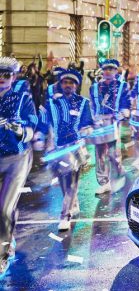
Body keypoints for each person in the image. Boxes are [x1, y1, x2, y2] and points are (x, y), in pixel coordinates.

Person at [42, 69, 93, 231]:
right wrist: (41, 138)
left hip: (75, 148)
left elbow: (87, 122)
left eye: (71, 82)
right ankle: (73, 203)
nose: (68, 85)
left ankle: (65, 215)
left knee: (71, 182)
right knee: (64, 183)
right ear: (60, 84)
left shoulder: (83, 102)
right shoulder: (52, 103)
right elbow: (45, 123)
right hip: (57, 148)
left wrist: (87, 130)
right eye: (65, 82)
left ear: (76, 85)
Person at [0, 57, 37, 276]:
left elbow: (32, 124)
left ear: (13, 78)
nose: (1, 80)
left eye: (6, 75)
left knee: (3, 209)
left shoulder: (22, 98)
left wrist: (20, 131)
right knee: (5, 210)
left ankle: (3, 255)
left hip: (17, 157)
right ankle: (8, 236)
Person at [88, 59, 130, 195]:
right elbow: (91, 106)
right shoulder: (94, 87)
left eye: (111, 69)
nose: (108, 72)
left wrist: (123, 113)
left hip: (113, 122)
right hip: (99, 123)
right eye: (105, 69)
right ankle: (104, 183)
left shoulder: (122, 86)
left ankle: (118, 172)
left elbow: (126, 103)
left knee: (113, 153)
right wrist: (92, 119)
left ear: (115, 71)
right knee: (99, 154)